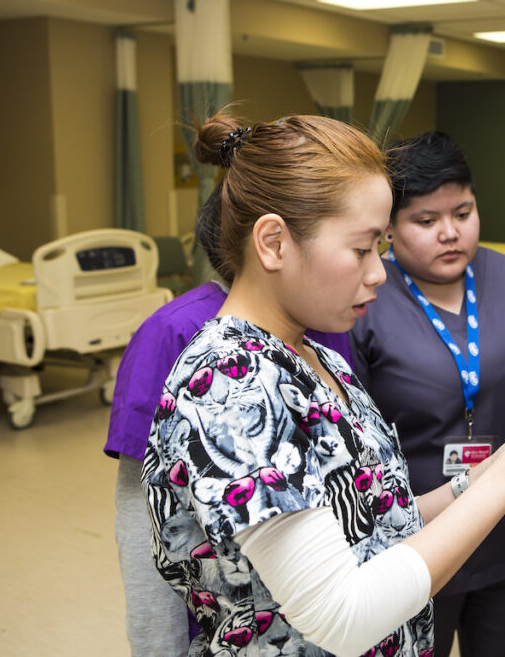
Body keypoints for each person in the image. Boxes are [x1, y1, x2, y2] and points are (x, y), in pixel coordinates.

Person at [143, 112, 505, 656]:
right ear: (272, 242)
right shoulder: (230, 384)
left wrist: (485, 476)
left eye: (380, 248)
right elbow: (344, 616)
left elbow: (379, 523)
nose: (379, 272)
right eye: (361, 250)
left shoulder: (308, 357)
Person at [104, 184, 352, 656]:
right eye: (358, 247)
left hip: (333, 613)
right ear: (271, 243)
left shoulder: (323, 328)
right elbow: (144, 516)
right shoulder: (172, 332)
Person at [349, 132, 505, 657]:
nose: (450, 233)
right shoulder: (362, 302)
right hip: (411, 546)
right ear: (389, 229)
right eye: (425, 221)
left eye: (462, 212)